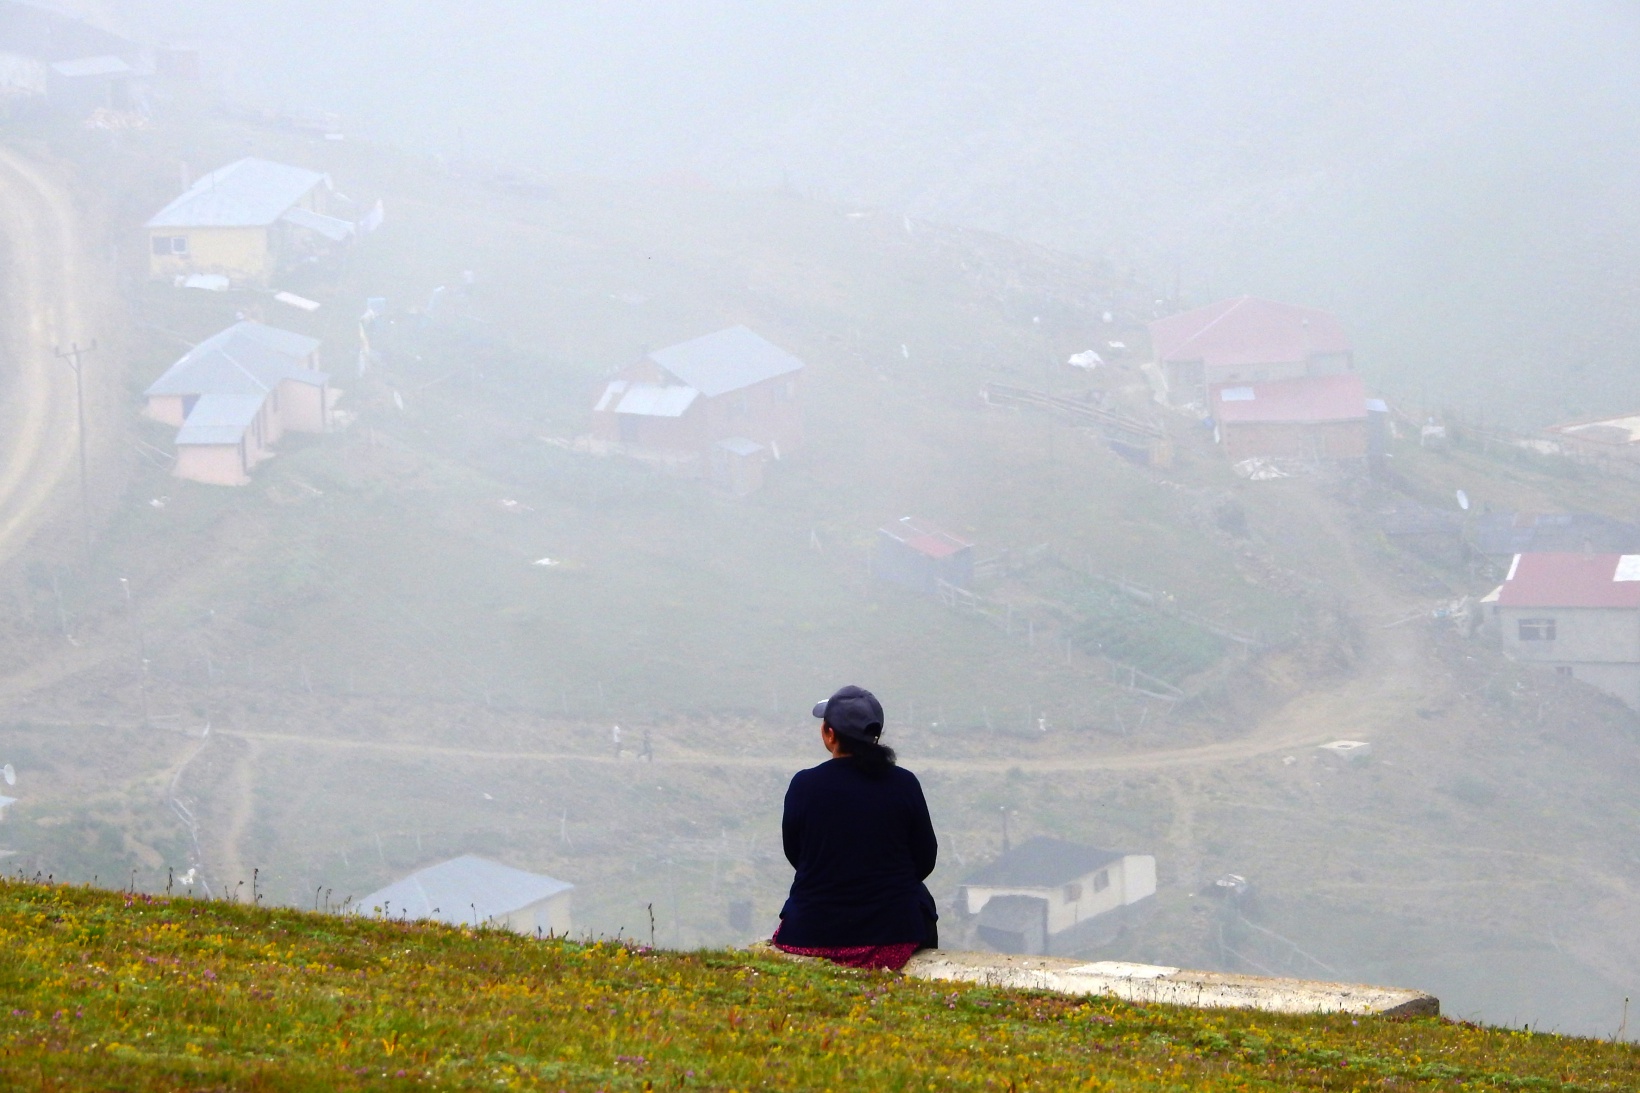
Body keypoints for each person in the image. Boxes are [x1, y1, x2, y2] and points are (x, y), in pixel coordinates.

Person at [772, 685, 938, 971]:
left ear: (829, 734)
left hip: (811, 935)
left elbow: (796, 854)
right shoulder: (904, 784)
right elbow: (925, 858)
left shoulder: (804, 785)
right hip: (891, 939)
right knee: (919, 898)